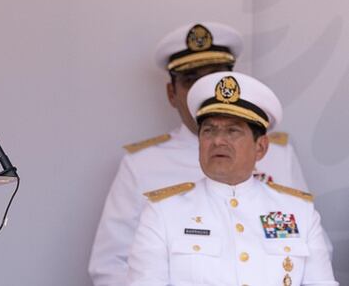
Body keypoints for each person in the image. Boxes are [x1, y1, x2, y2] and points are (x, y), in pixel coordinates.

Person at [89, 22, 310, 286]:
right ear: (172, 93)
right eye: (190, 80)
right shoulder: (141, 164)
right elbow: (109, 265)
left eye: (214, 77)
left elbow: (306, 251)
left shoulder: (279, 153)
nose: (202, 88)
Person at [126, 72, 337, 285]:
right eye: (208, 131)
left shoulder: (298, 212)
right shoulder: (162, 213)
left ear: (261, 147)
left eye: (232, 131)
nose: (218, 140)